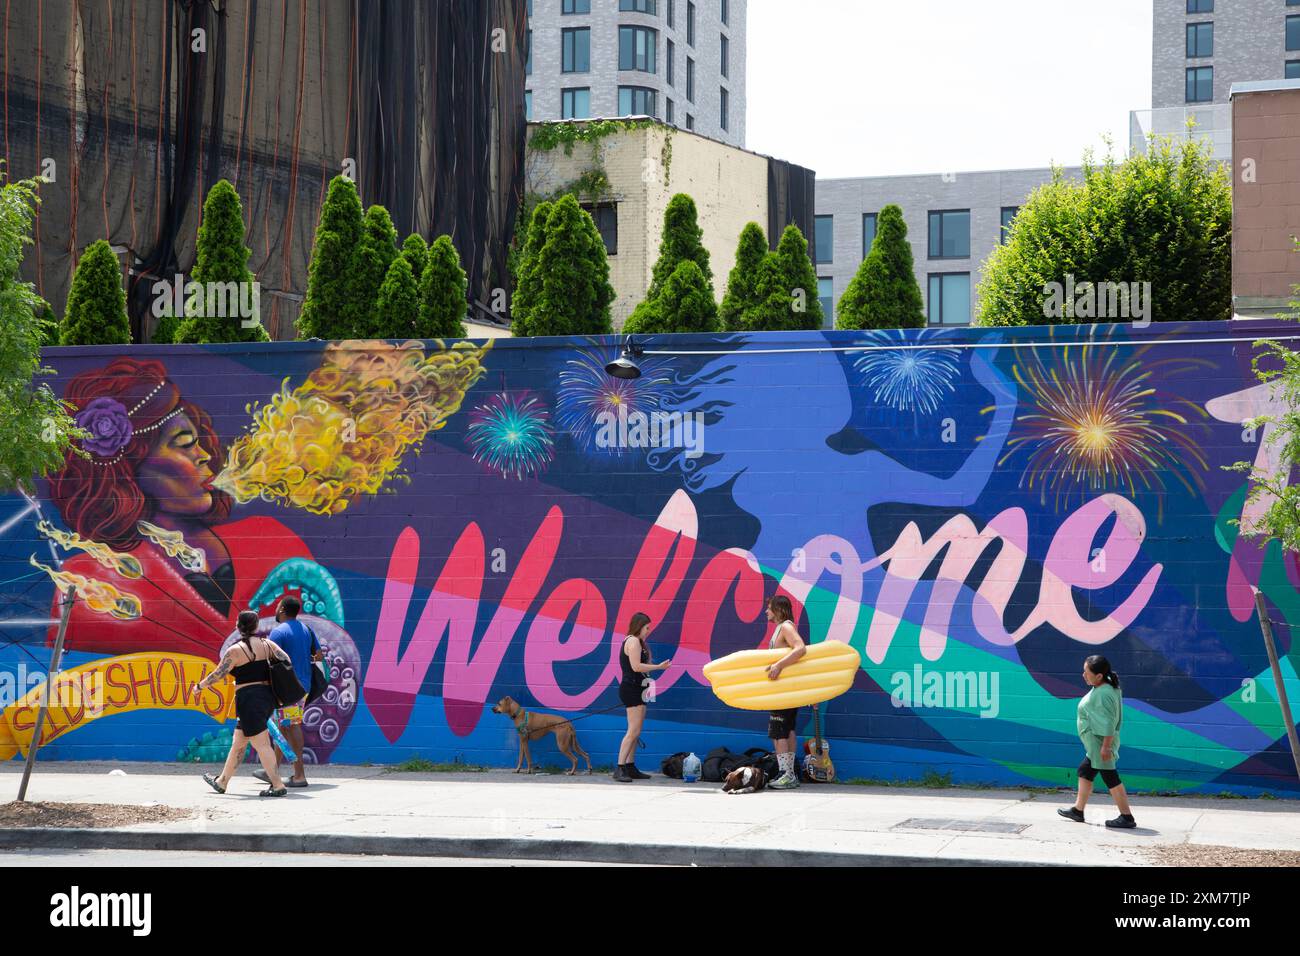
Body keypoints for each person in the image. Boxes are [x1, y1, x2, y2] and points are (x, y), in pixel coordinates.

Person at [192, 610, 293, 797]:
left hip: (249, 700)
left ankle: (278, 785)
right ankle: (222, 781)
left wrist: (200, 686)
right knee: (238, 742)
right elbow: (286, 659)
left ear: (238, 627)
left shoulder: (235, 651)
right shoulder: (267, 644)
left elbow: (218, 674)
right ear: (256, 627)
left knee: (262, 744)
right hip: (266, 697)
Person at [1058, 655, 1136, 829]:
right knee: (1085, 772)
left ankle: (1127, 817)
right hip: (1096, 745)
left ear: (1099, 675)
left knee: (1111, 778)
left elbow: (1109, 723)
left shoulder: (1104, 693)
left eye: (1087, 672)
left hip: (1101, 745)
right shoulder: (1105, 688)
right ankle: (1078, 810)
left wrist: (1106, 747)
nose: (1083, 675)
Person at [252, 595, 322, 789]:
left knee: (292, 726)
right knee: (284, 727)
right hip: (304, 686)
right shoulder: (307, 629)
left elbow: (268, 660)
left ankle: (299, 775)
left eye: (277, 606)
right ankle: (271, 771)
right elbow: (319, 655)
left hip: (289, 689)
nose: (275, 609)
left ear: (282, 609)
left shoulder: (278, 632)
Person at [613, 612, 670, 783]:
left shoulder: (637, 642)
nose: (648, 631)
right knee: (632, 731)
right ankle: (620, 767)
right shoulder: (633, 641)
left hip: (639, 688)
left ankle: (630, 766)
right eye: (647, 627)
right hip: (631, 689)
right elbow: (636, 666)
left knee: (636, 731)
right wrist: (658, 667)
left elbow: (641, 668)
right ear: (639, 626)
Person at [763, 595, 806, 790]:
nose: (766, 612)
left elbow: (800, 649)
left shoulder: (787, 627)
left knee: (778, 730)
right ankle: (789, 774)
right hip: (784, 689)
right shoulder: (781, 628)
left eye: (770, 608)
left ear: (779, 610)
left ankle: (785, 774)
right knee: (787, 729)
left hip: (784, 690)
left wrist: (779, 665)